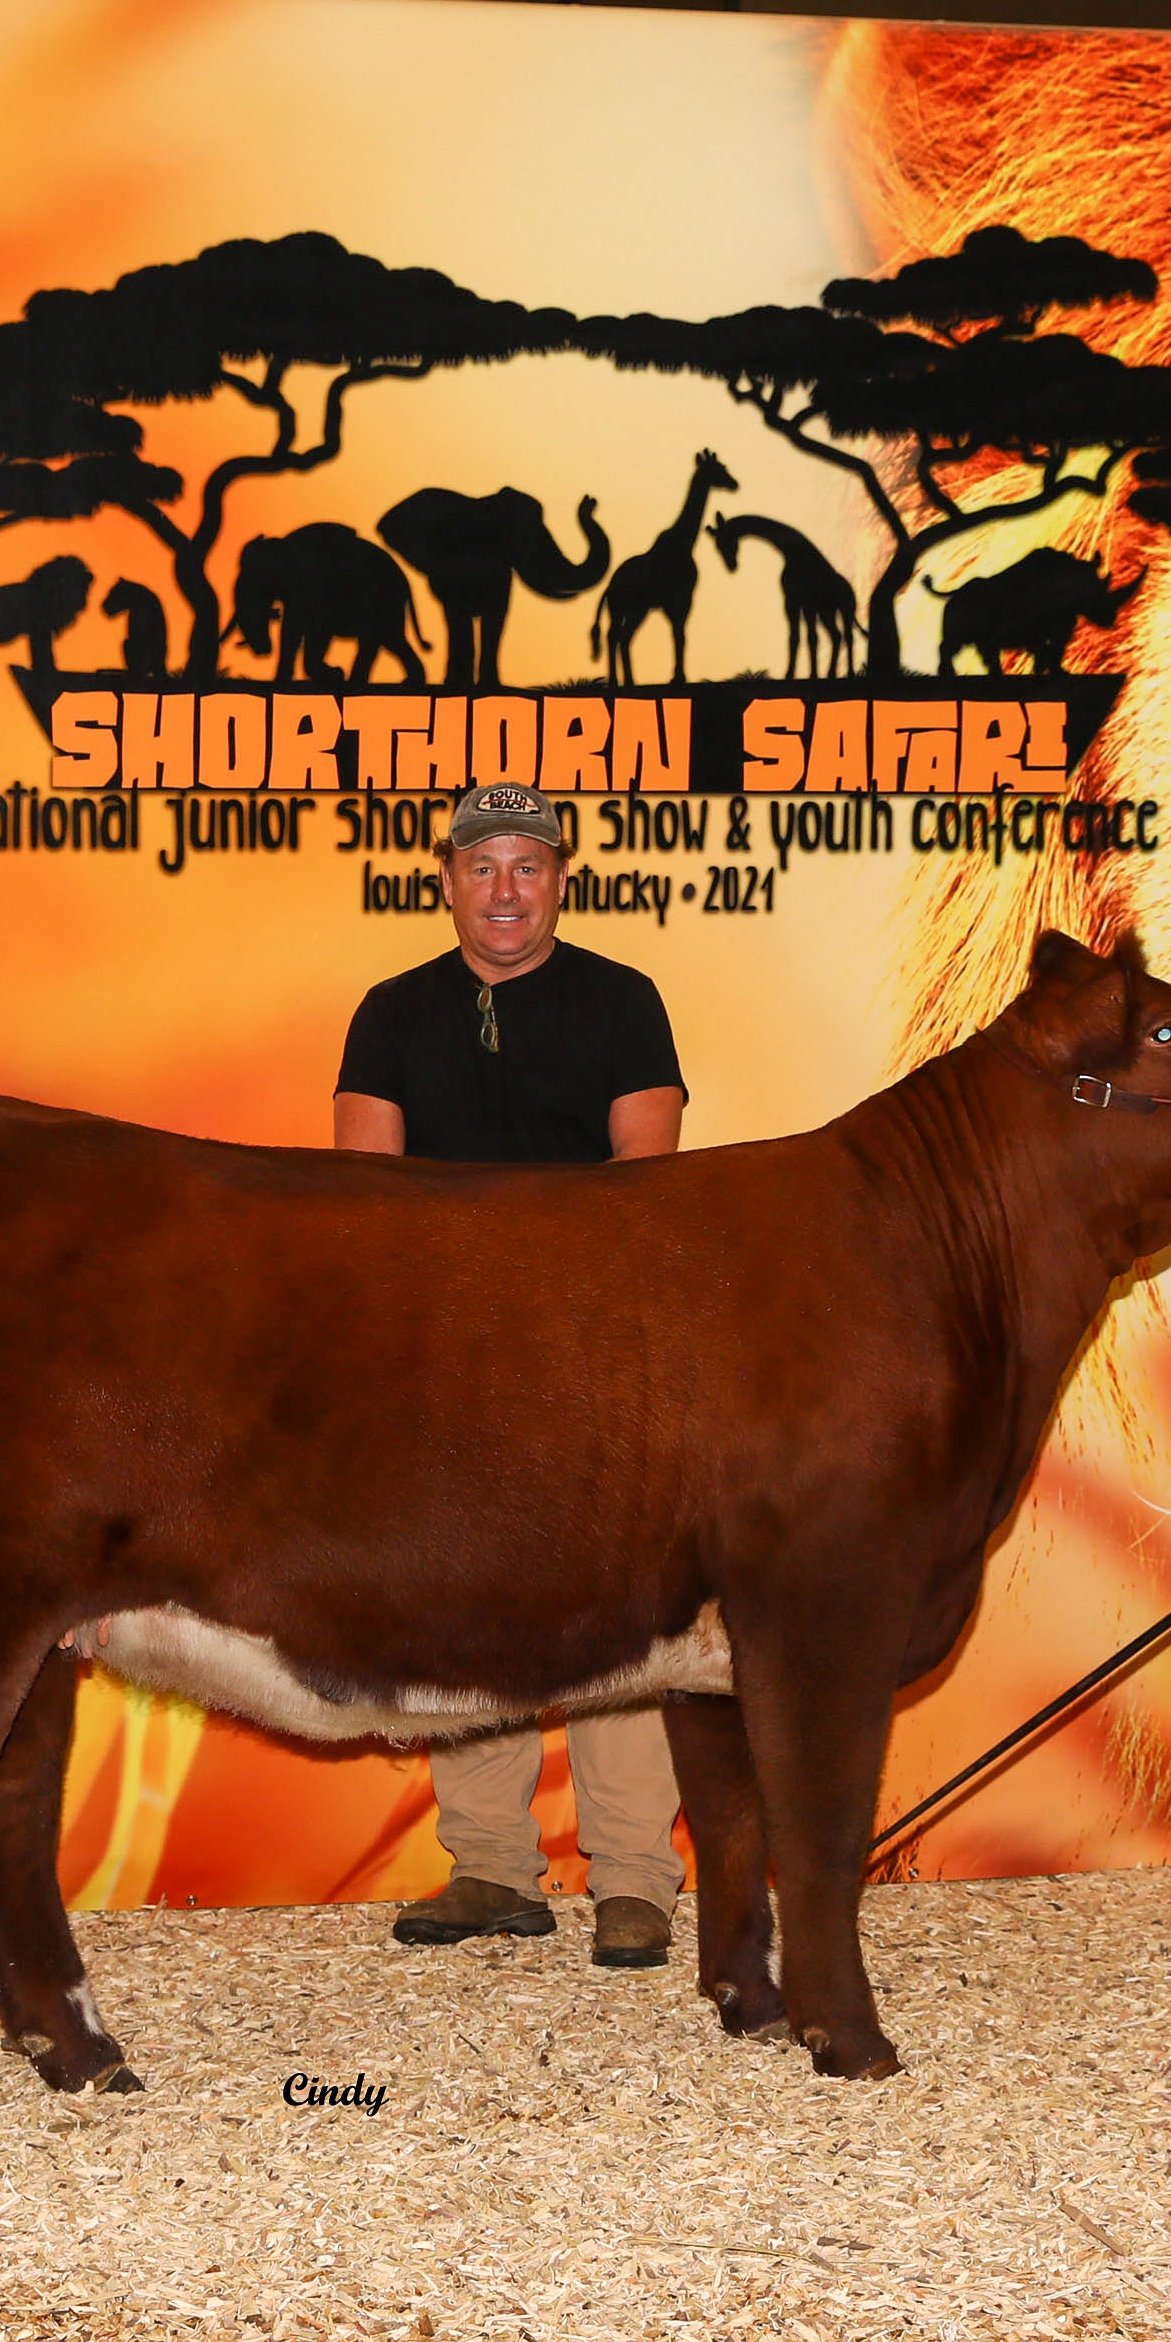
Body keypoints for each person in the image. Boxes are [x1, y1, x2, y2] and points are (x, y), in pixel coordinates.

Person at [334, 781, 690, 1970]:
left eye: (526, 867)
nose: (504, 888)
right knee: (464, 1608)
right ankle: (490, 1865)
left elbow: (648, 1177)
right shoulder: (390, 1013)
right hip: (444, 1359)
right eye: (481, 865)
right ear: (447, 882)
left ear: (558, 882)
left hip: (594, 1351)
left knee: (617, 1619)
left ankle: (634, 1878)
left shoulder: (621, 1002)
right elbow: (365, 1199)